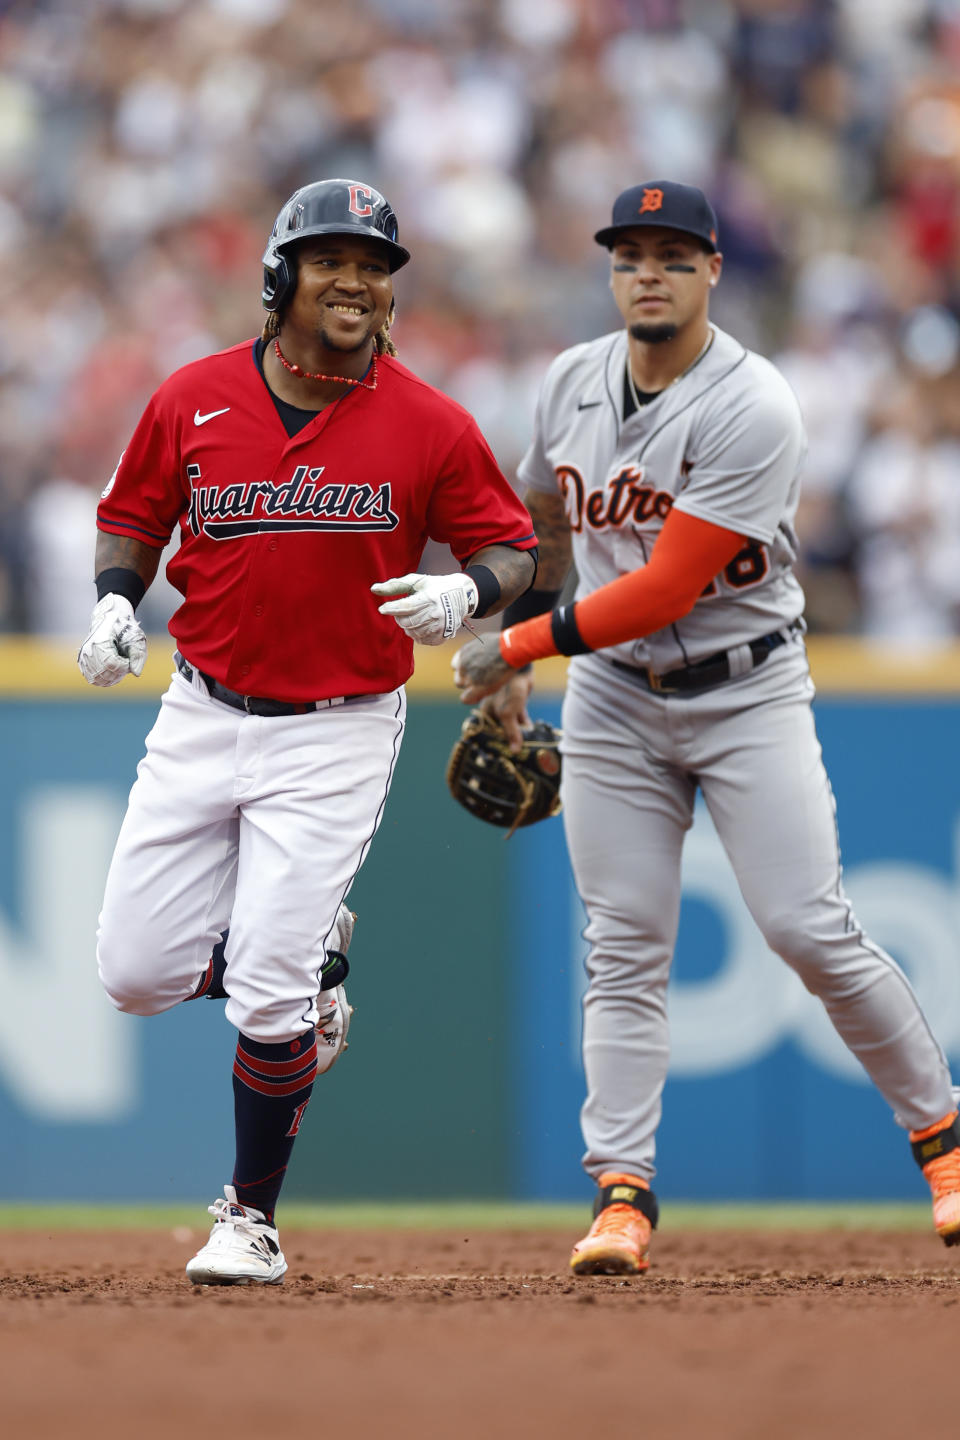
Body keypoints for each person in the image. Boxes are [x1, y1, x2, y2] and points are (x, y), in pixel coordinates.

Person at [451, 180, 960, 1276]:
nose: (649, 272)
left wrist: (519, 646)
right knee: (623, 945)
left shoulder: (753, 402)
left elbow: (669, 586)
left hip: (746, 689)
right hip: (615, 698)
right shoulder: (570, 381)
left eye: (674, 256)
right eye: (630, 253)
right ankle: (621, 1195)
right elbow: (535, 518)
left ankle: (946, 1140)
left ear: (714, 272)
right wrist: (506, 627)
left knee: (807, 927)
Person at [78, 177, 537, 1285]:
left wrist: (470, 594)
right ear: (283, 275)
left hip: (335, 727)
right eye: (334, 261)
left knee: (267, 994)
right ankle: (310, 962)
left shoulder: (429, 420)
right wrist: (110, 597)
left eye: (376, 268)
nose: (358, 283)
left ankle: (251, 1218)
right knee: (133, 972)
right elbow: (135, 512)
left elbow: (514, 545)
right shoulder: (194, 395)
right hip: (199, 708)